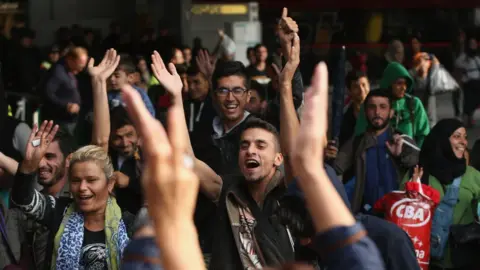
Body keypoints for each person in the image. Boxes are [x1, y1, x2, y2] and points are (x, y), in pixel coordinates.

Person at [117, 44, 385, 270]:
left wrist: (287, 84)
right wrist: (176, 97)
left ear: (278, 158)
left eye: (260, 145)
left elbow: (295, 159)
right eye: (244, 145)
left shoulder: (288, 195)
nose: (250, 151)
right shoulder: (229, 190)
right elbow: (189, 160)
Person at [402, 118, 480, 270]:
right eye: (457, 136)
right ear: (442, 140)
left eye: (465, 137)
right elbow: (402, 214)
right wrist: (412, 192)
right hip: (425, 260)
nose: (463, 142)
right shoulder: (419, 173)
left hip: (462, 260)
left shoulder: (473, 176)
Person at [334, 90, 420, 214]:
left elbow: (416, 161)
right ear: (366, 112)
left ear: (391, 113)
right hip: (366, 215)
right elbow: (336, 166)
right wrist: (328, 155)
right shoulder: (357, 142)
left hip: (398, 213)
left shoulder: (401, 139)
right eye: (372, 107)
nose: (377, 112)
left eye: (383, 107)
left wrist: (401, 154)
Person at [354, 62, 430, 146]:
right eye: (399, 83)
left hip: (408, 157)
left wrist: (416, 156)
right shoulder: (372, 103)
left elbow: (423, 135)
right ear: (389, 84)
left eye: (405, 83)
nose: (404, 87)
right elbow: (360, 136)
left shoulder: (413, 104)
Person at [41, 46, 89, 136]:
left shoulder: (72, 72)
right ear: (70, 60)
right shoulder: (58, 72)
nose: (81, 69)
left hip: (72, 120)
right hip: (60, 121)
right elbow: (47, 93)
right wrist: (66, 105)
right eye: (79, 66)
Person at [338, 71, 370, 148]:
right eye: (356, 87)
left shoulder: (380, 110)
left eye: (364, 85)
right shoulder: (344, 117)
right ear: (350, 91)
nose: (361, 90)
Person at [454, 37, 480, 127]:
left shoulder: (476, 57)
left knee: (475, 100)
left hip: (477, 81)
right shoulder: (464, 56)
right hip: (468, 81)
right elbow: (457, 63)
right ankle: (467, 118)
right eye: (471, 44)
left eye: (474, 44)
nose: (473, 46)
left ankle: (470, 116)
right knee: (468, 101)